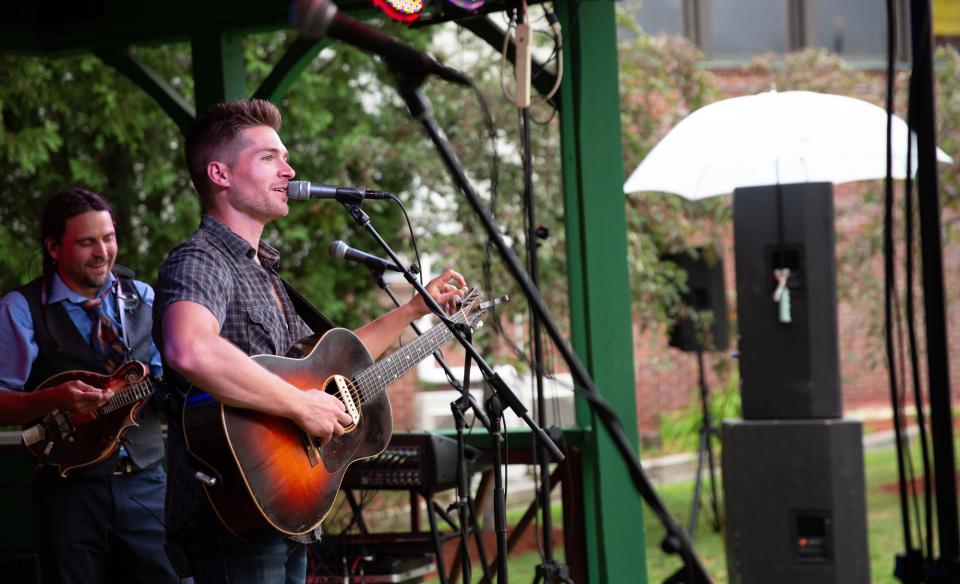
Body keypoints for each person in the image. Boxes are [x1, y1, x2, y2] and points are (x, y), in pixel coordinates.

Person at [154, 98, 467, 583]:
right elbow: (189, 348)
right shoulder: (201, 260)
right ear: (219, 173)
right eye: (268, 157)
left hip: (287, 507)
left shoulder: (266, 273)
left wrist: (414, 311)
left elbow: (328, 368)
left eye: (284, 156)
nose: (289, 168)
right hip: (230, 511)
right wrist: (300, 408)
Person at [0, 187, 180, 584]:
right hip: (69, 496)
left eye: (108, 238)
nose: (103, 252)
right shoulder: (21, 309)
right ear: (53, 247)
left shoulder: (145, 296)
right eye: (86, 242)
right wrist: (51, 398)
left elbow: (169, 378)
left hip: (147, 483)